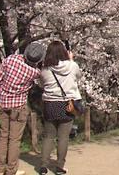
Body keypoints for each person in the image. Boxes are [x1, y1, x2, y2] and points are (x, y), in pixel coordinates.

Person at [0, 42, 44, 175]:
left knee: (3, 136)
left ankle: (0, 168)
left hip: (3, 103)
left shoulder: (10, 60)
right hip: (18, 106)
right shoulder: (34, 72)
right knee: (14, 139)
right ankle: (11, 170)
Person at [39, 41, 82, 175]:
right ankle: (59, 167)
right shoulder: (72, 66)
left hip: (50, 104)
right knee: (63, 137)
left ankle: (44, 166)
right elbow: (79, 77)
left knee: (48, 136)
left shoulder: (45, 69)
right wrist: (71, 60)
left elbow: (42, 84)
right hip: (67, 104)